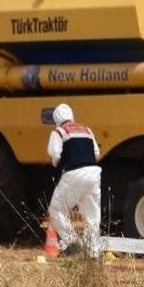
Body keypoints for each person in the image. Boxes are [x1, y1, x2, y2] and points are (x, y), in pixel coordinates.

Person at [47, 103, 102, 257]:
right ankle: (94, 253)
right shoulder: (87, 130)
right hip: (93, 173)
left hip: (73, 174)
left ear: (56, 119)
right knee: (92, 215)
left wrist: (57, 163)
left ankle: (72, 241)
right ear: (71, 115)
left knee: (56, 210)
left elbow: (55, 154)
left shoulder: (59, 131)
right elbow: (96, 153)